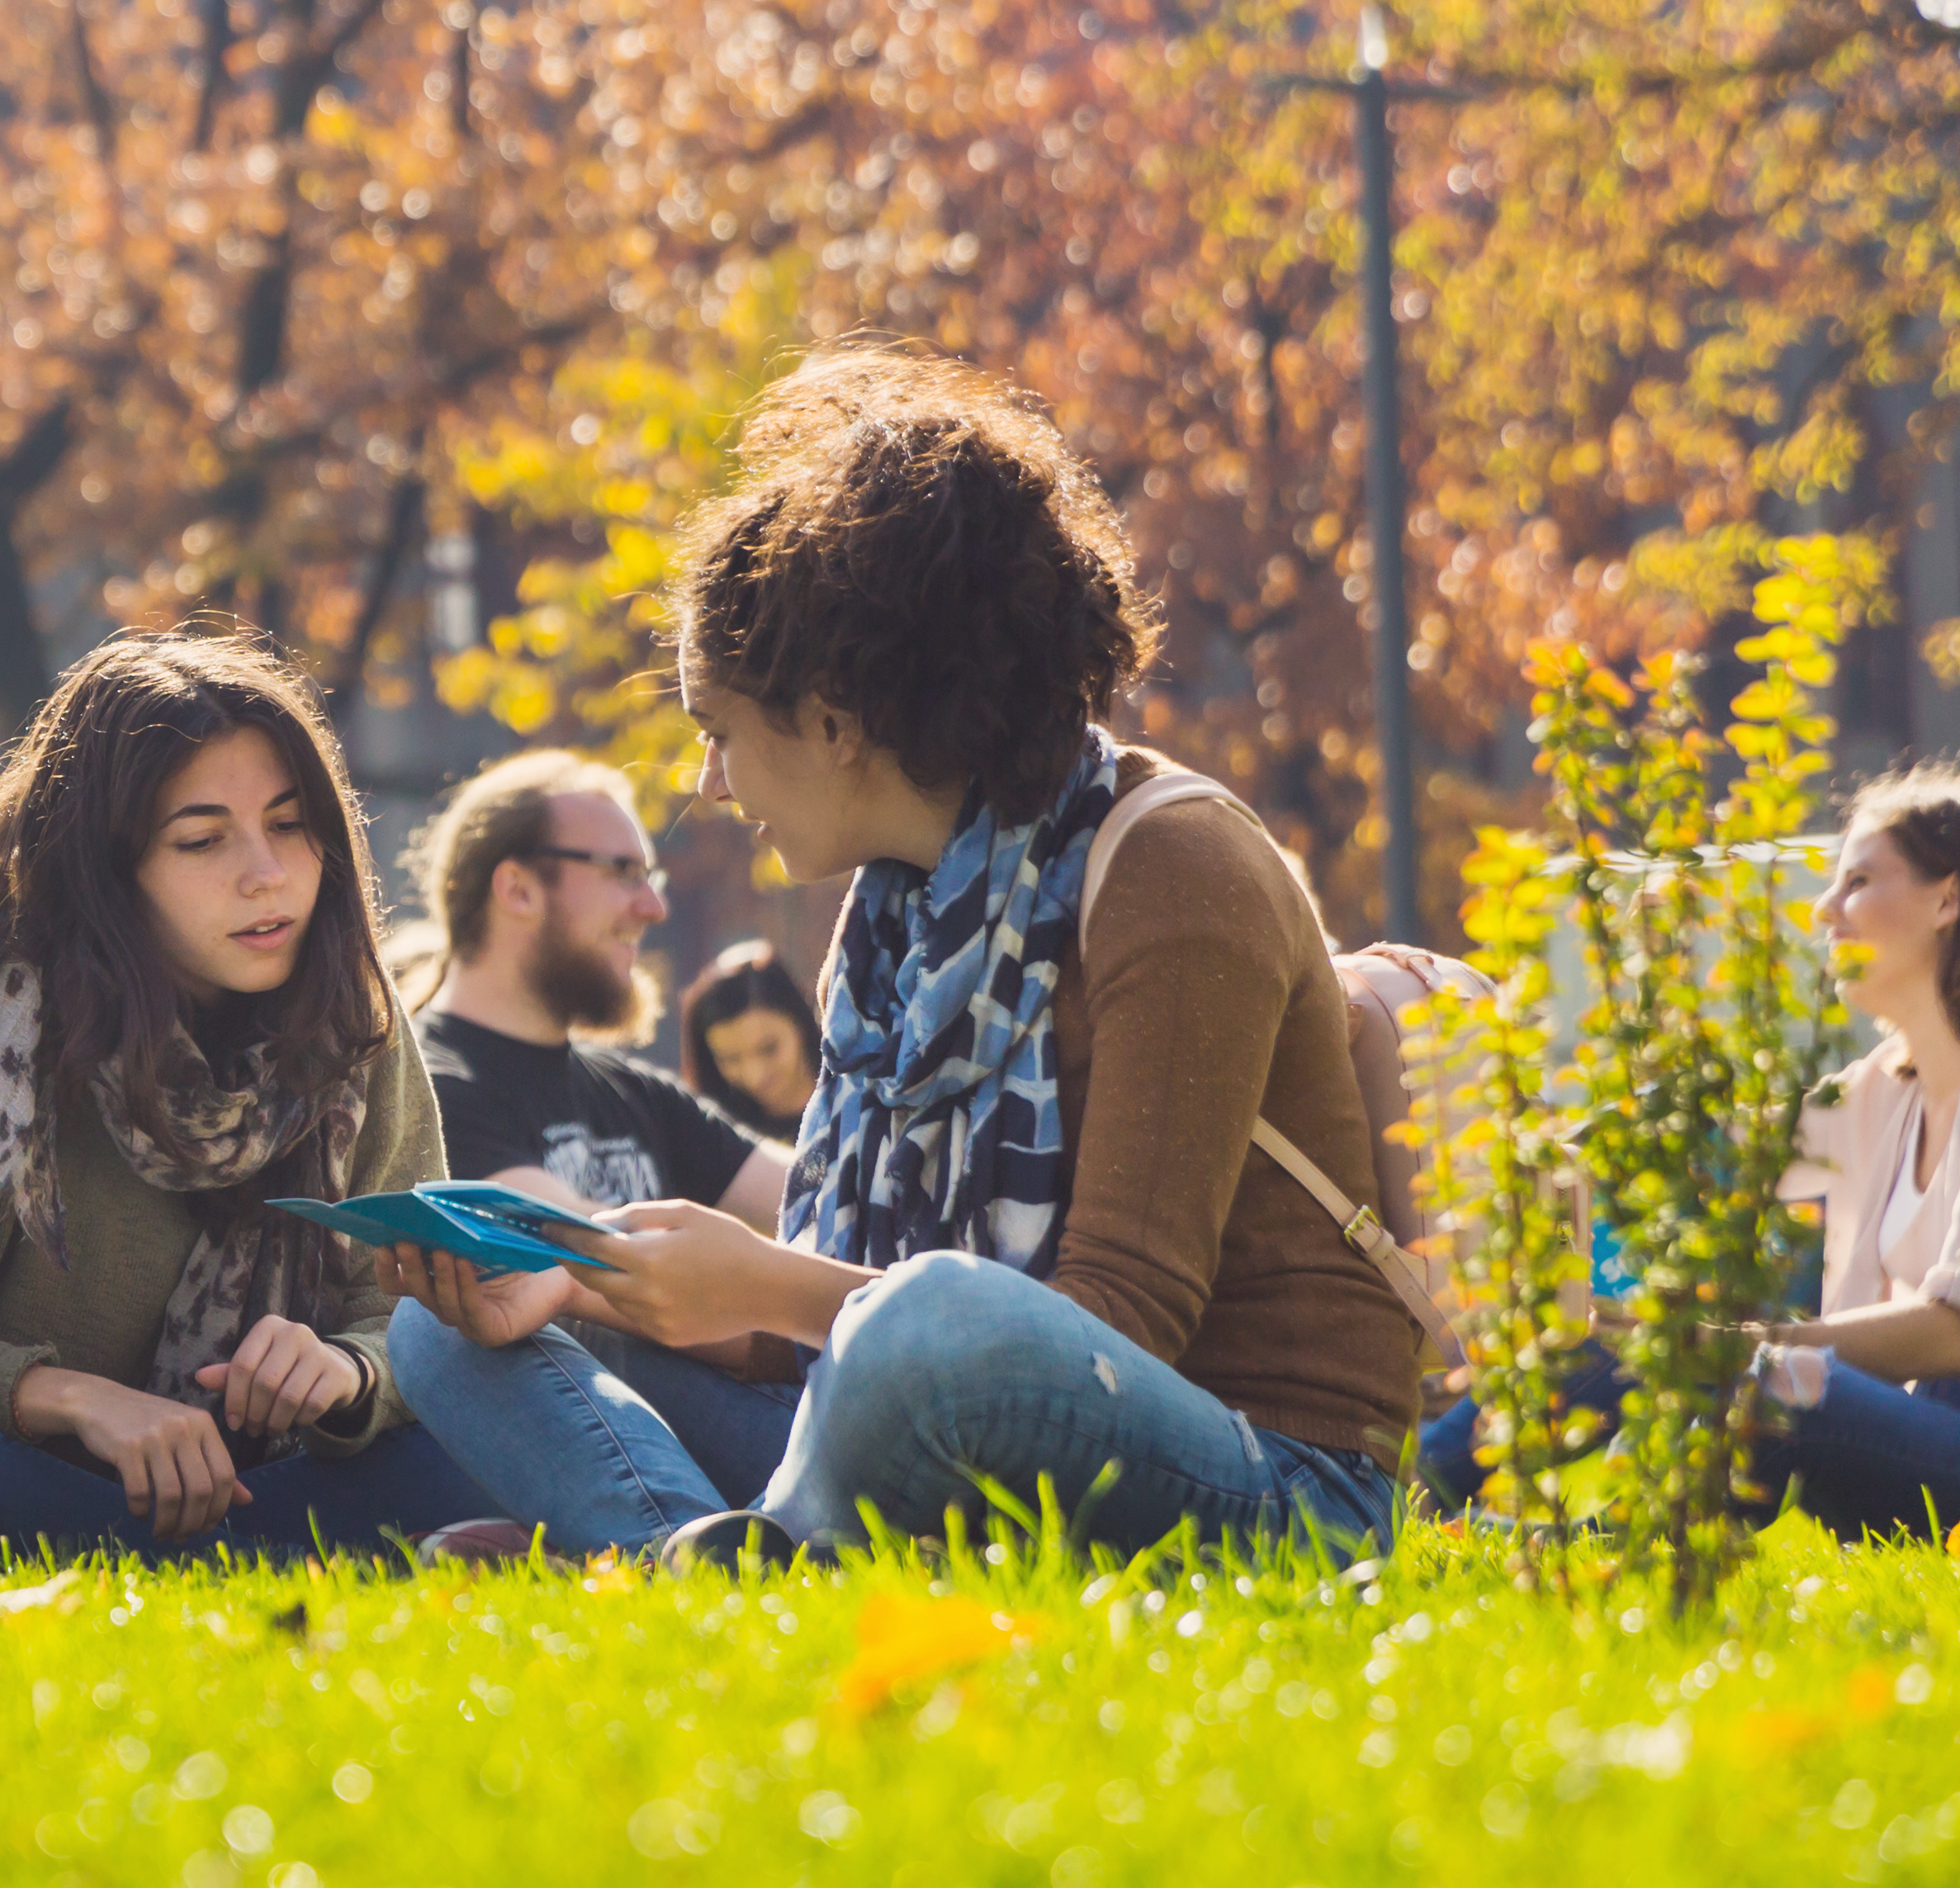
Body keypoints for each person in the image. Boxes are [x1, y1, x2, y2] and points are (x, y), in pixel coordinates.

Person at [382, 349, 1418, 1563]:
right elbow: (837, 1320)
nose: (709, 783)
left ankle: (702, 1555)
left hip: (1267, 1477)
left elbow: (1102, 1339)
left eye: (719, 734)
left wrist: (767, 1286)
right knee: (444, 1334)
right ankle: (705, 1562)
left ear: (834, 722)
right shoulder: (896, 926)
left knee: (932, 1324)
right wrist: (587, 1278)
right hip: (944, 1419)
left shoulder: (1176, 868)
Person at [0, 631, 502, 1557]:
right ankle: (204, 1553)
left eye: (288, 824)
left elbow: (410, 1317)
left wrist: (345, 1371)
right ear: (107, 872)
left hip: (257, 1477)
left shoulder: (352, 1025)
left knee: (496, 1434)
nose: (266, 873)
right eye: (201, 839)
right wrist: (71, 1401)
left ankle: (155, 1552)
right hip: (13, 1466)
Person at [1418, 764, 1960, 1533]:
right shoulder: (1885, 1090)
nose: (1824, 910)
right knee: (1621, 1335)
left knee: (1763, 1373)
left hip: (1945, 1462)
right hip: (1896, 1452)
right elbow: (1706, 1145)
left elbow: (1951, 1328)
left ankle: (1565, 1545)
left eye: (1860, 881)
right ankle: (1400, 1502)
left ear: (1948, 896)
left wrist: (1739, 1348)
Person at [373, 752, 798, 1537]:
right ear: (519, 889)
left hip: (779, 1423)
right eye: (622, 872)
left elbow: (818, 1199)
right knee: (562, 1299)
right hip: (608, 1435)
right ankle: (682, 1545)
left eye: (652, 878)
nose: (651, 908)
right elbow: (592, 1267)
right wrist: (780, 1303)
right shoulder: (431, 1084)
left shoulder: (635, 1091)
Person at [683, 938, 823, 1138]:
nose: (754, 1075)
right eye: (730, 1058)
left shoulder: (863, 1103)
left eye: (769, 1048)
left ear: (800, 1024)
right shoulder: (715, 1139)